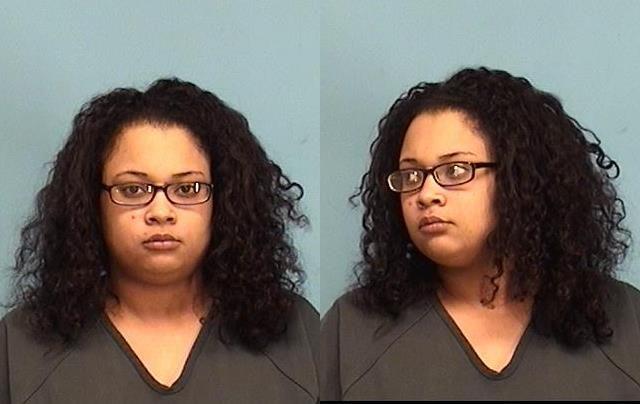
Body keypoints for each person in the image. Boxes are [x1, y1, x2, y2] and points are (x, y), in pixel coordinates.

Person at [320, 67, 639, 400]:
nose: (426, 194)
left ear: (521, 178)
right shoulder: (351, 332)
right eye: (411, 175)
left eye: (455, 170)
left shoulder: (626, 321)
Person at [0, 78, 319, 403]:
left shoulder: (300, 333)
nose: (161, 212)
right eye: (133, 189)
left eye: (187, 189)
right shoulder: (19, 348)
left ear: (224, 200)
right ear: (91, 204)